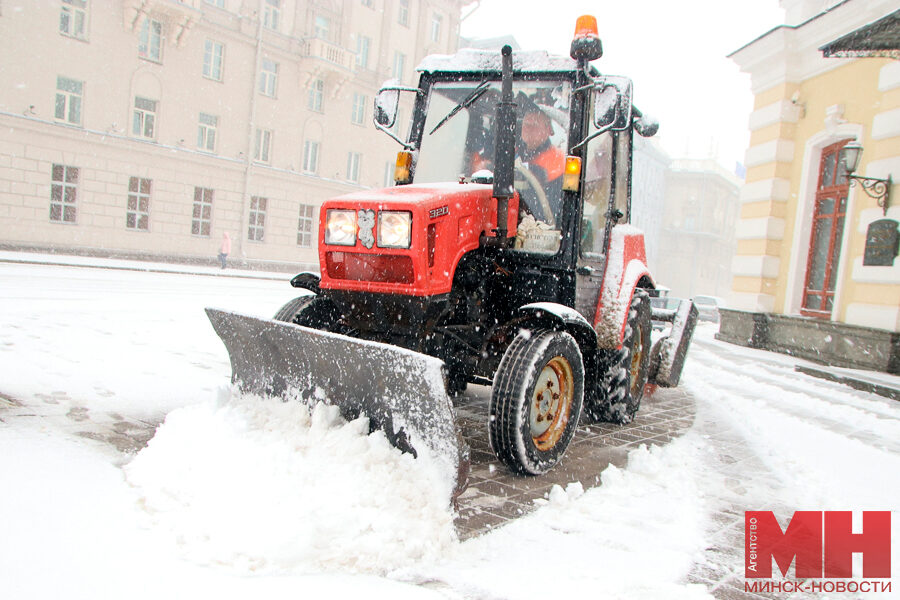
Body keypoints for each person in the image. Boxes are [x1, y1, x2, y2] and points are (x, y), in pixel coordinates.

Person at [516, 108, 565, 224]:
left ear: (549, 130)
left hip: (542, 229)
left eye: (534, 125)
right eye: (526, 124)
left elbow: (554, 206)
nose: (528, 128)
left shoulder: (558, 160)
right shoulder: (512, 154)